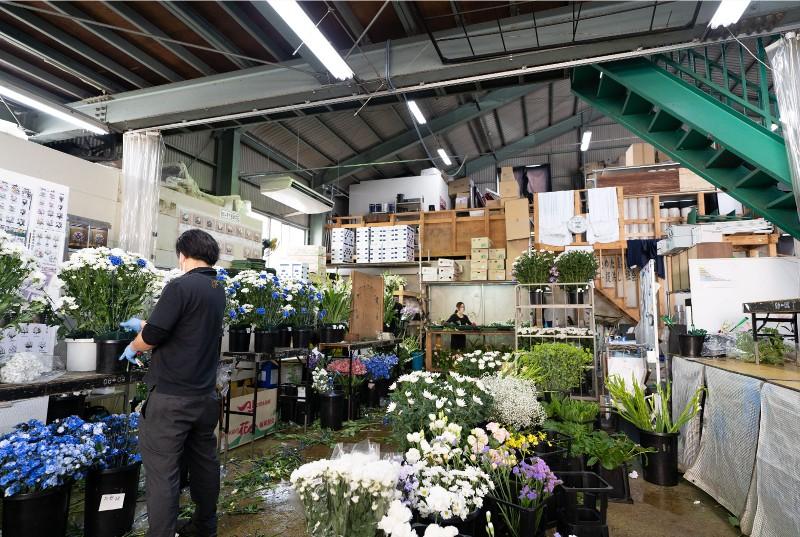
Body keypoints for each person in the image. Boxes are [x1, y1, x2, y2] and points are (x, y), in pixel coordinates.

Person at [118, 229, 226, 537]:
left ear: (183, 255)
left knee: (163, 472)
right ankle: (205, 527)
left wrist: (134, 344)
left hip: (172, 398)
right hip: (204, 397)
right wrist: (144, 323)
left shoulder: (180, 286)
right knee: (204, 463)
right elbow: (187, 326)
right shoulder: (217, 288)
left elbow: (153, 337)